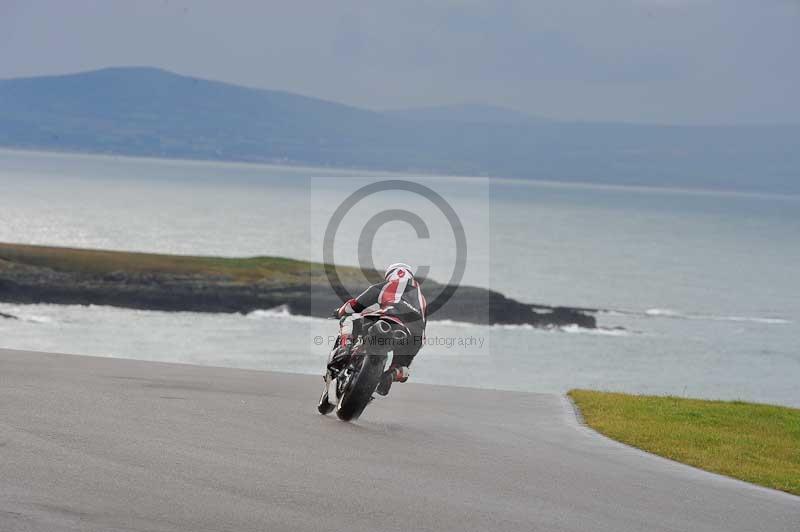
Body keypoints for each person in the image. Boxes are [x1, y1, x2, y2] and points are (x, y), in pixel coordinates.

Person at [327, 262, 427, 396]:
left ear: (390, 275)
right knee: (402, 369)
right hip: (414, 334)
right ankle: (392, 375)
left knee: (348, 319)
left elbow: (354, 306)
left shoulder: (386, 286)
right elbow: (423, 330)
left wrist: (339, 311)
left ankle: (345, 348)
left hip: (389, 317)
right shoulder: (422, 299)